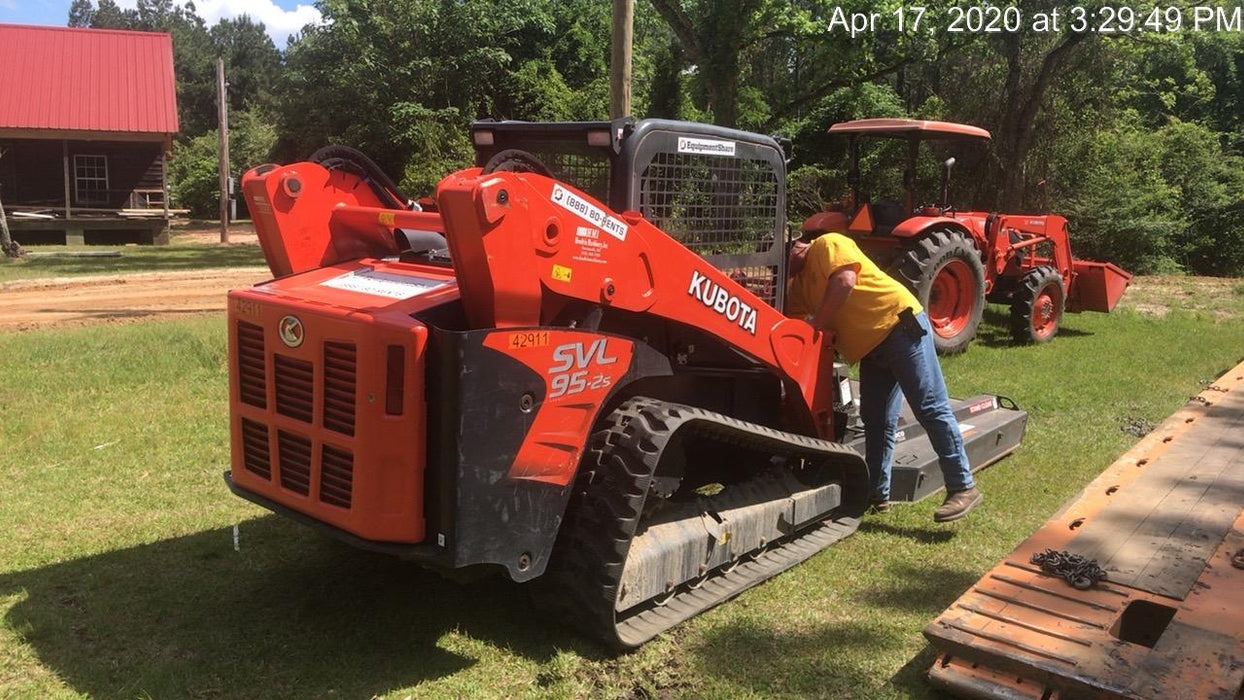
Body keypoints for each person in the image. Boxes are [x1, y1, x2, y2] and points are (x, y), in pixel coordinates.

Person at [787, 231, 982, 522]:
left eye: (781, 257)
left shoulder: (827, 244)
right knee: (876, 421)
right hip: (871, 349)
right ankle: (877, 495)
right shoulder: (799, 286)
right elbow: (787, 319)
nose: (778, 266)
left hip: (900, 327)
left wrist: (817, 323)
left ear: (796, 244)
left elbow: (844, 281)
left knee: (929, 406)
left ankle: (963, 487)